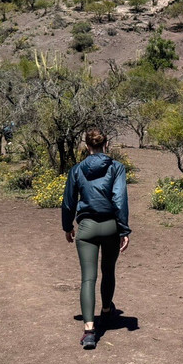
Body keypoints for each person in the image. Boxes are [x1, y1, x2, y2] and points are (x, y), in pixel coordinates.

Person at [61, 129, 130, 349]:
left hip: (87, 227)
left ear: (87, 146)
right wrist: (124, 230)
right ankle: (107, 310)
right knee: (108, 271)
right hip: (110, 226)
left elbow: (69, 201)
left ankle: (89, 330)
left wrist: (67, 226)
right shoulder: (116, 168)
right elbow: (119, 198)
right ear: (106, 144)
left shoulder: (77, 170)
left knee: (88, 278)